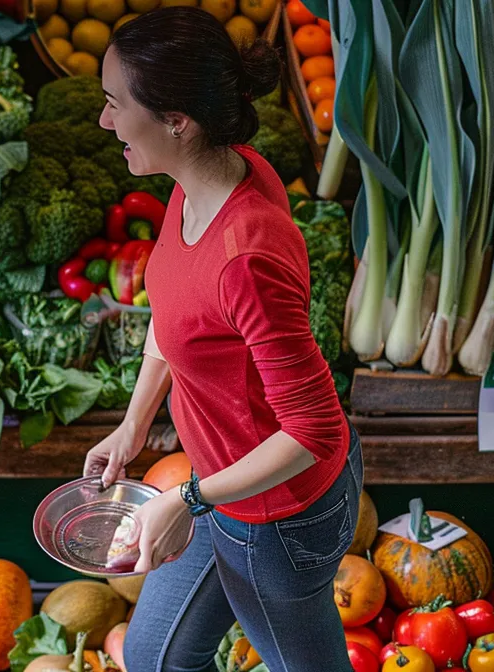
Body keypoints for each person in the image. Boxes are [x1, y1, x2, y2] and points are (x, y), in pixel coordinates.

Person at [82, 7, 361, 672]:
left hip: (277, 517)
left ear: (177, 121)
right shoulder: (202, 178)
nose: (104, 121)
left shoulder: (246, 257)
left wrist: (188, 499)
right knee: (155, 658)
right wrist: (133, 423)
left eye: (115, 104)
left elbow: (312, 430)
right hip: (223, 488)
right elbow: (177, 313)